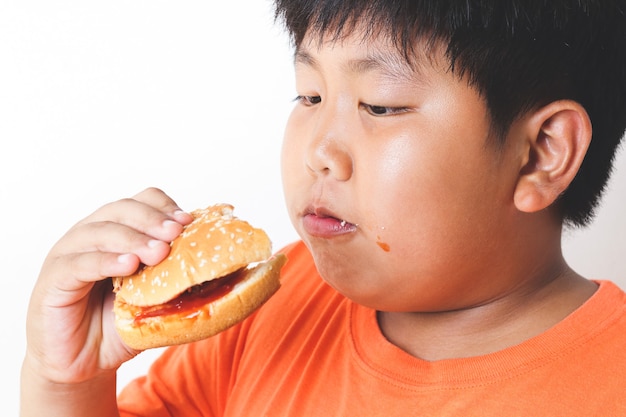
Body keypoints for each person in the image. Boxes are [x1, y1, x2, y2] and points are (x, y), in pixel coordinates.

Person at [20, 0, 626, 415]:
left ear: (541, 154)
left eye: (380, 106)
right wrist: (66, 380)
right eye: (309, 94)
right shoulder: (267, 308)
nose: (319, 151)